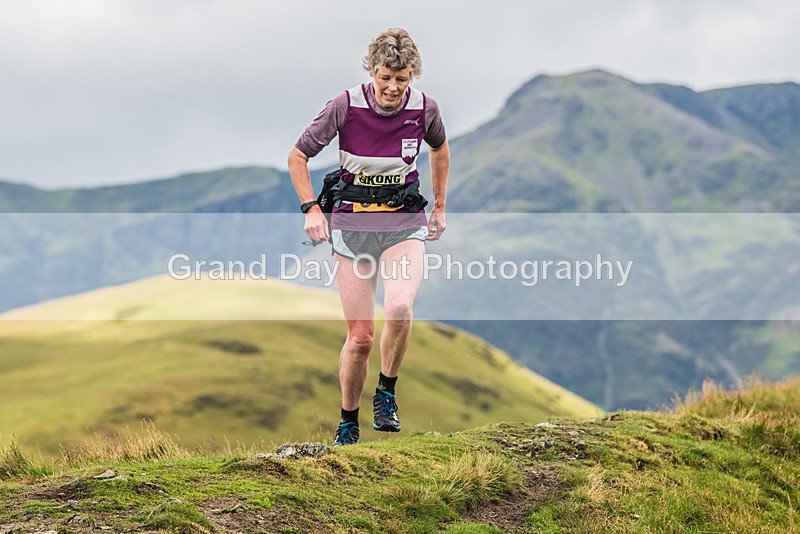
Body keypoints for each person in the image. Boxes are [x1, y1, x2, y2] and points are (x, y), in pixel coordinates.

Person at [287, 27, 450, 446]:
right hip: (352, 227)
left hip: (403, 223)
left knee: (399, 306)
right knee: (360, 338)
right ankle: (347, 422)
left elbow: (440, 148)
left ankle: (386, 394)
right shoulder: (344, 106)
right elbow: (298, 156)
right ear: (372, 72)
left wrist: (440, 205)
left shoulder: (425, 108)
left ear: (412, 75)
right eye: (385, 78)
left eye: (402, 79)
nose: (393, 88)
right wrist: (311, 208)